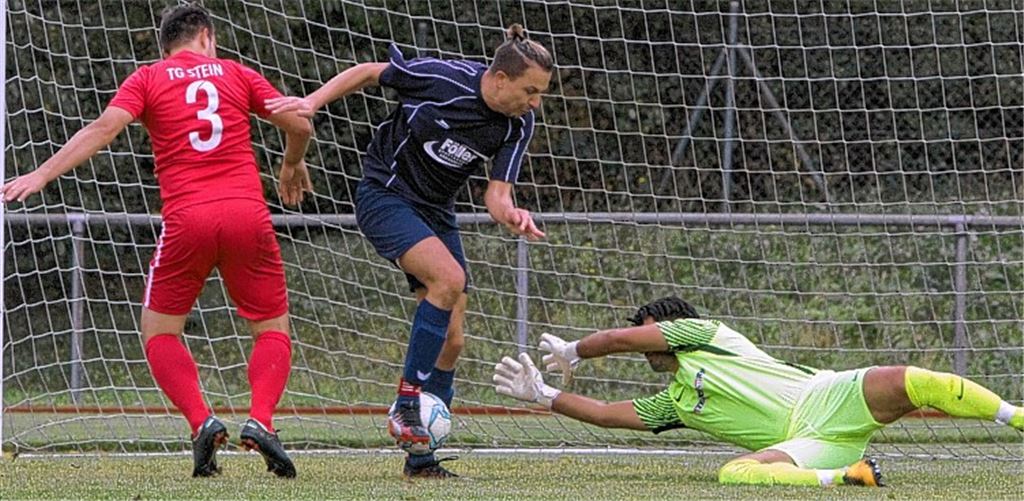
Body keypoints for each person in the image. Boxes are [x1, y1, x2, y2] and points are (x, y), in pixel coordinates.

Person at [1, 5, 313, 478]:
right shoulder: (236, 73)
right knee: (271, 328)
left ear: (166, 45)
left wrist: (42, 174)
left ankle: (201, 421)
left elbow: (103, 130)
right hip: (248, 214)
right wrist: (292, 163)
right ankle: (262, 422)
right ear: (207, 37)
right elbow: (300, 123)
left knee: (160, 332)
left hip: (188, 219)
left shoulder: (149, 78)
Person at [265, 25, 552, 478]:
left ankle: (421, 458)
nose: (535, 101)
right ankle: (405, 406)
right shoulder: (443, 80)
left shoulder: (518, 124)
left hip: (436, 211)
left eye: (540, 94)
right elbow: (367, 72)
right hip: (385, 196)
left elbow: (497, 196)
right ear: (499, 78)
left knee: (454, 339)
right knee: (449, 279)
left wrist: (513, 215)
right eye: (530, 90)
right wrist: (311, 103)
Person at [493, 296, 1024, 488]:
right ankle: (847, 476)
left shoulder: (706, 337)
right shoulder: (674, 402)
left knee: (910, 379)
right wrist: (544, 395)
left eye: (648, 326)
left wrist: (576, 351)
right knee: (735, 472)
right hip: (807, 445)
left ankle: (1015, 416)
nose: (641, 335)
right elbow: (608, 413)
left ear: (671, 327)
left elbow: (619, 339)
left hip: (824, 397)